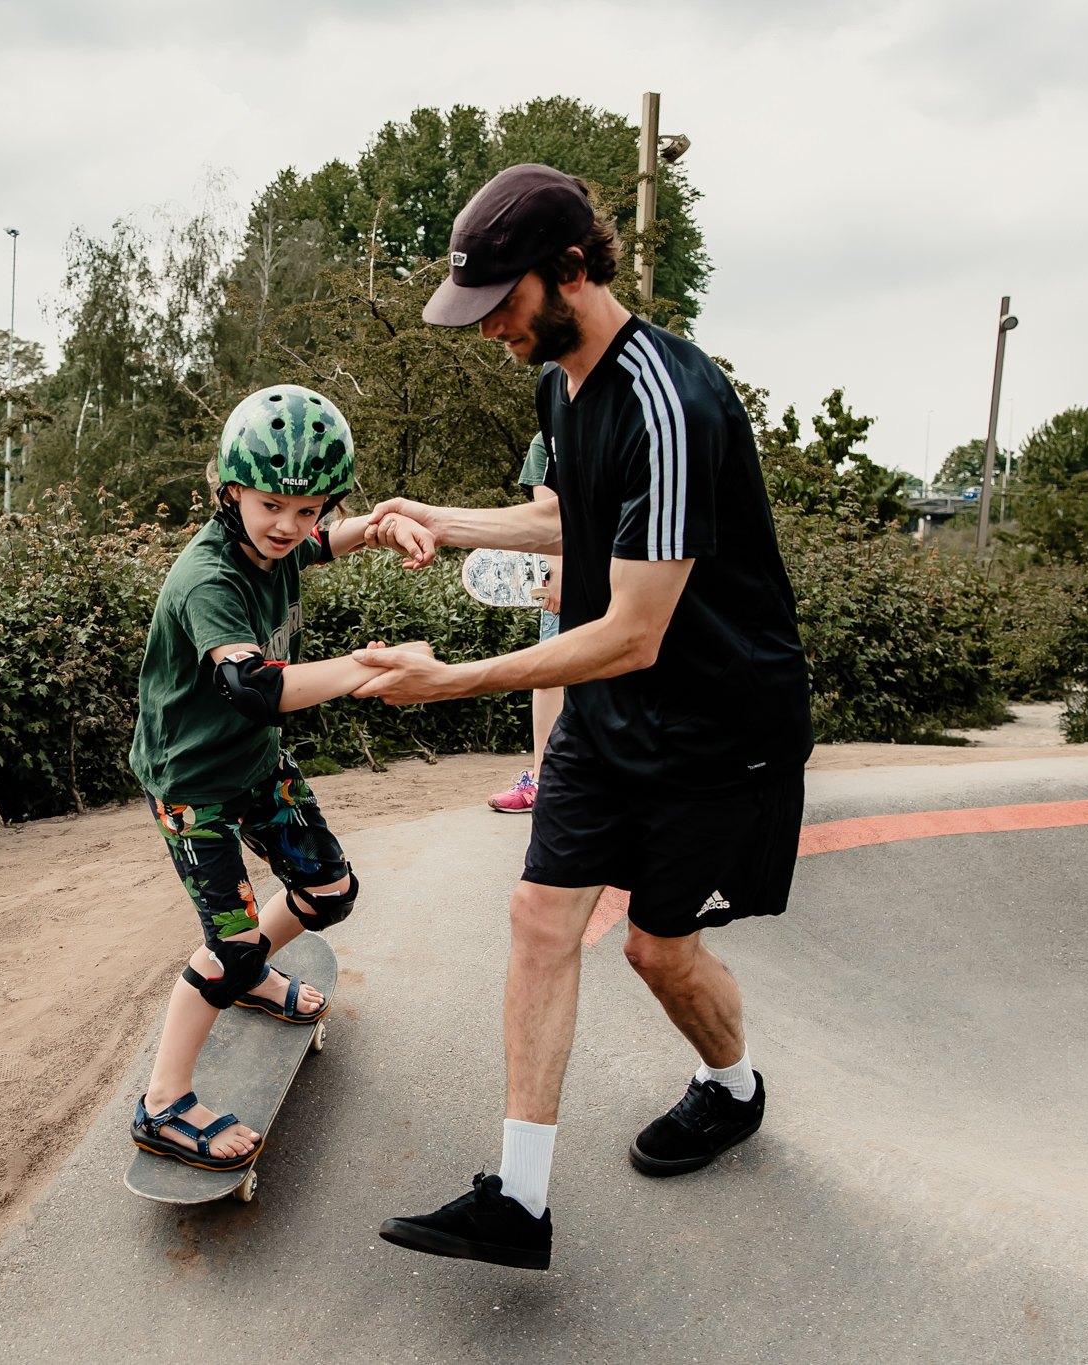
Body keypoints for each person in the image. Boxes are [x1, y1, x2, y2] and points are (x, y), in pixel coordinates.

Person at [356, 165, 813, 1270]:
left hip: (716, 726)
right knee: (537, 918)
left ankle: (730, 1088)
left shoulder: (672, 398)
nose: (488, 332)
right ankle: (516, 1201)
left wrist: (451, 680)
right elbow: (568, 523)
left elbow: (632, 630)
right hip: (614, 715)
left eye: (500, 304)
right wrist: (443, 522)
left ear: (568, 269)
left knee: (657, 952)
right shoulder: (558, 384)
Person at [127, 384, 430, 1170]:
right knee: (226, 951)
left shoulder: (284, 539)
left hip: (255, 763)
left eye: (309, 509)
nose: (290, 528)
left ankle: (253, 969)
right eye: (272, 506)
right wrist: (367, 667)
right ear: (229, 491)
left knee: (329, 891)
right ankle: (162, 1103)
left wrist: (381, 525)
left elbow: (335, 539)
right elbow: (253, 686)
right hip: (194, 787)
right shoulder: (209, 578)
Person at [486, 428, 566, 814]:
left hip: (633, 568)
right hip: (571, 570)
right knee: (550, 671)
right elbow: (546, 515)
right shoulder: (545, 441)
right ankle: (542, 781)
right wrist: (558, 567)